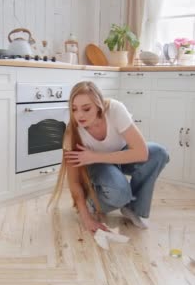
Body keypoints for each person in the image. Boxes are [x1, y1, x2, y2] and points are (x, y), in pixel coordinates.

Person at [48, 81, 170, 233]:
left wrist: (96, 156)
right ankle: (92, 202)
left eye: (86, 109)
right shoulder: (72, 132)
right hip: (97, 166)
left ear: (98, 104)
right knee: (120, 194)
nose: (79, 115)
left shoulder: (115, 110)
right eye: (74, 109)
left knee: (158, 153)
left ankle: (134, 208)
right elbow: (73, 182)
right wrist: (86, 218)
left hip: (112, 155)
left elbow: (142, 153)